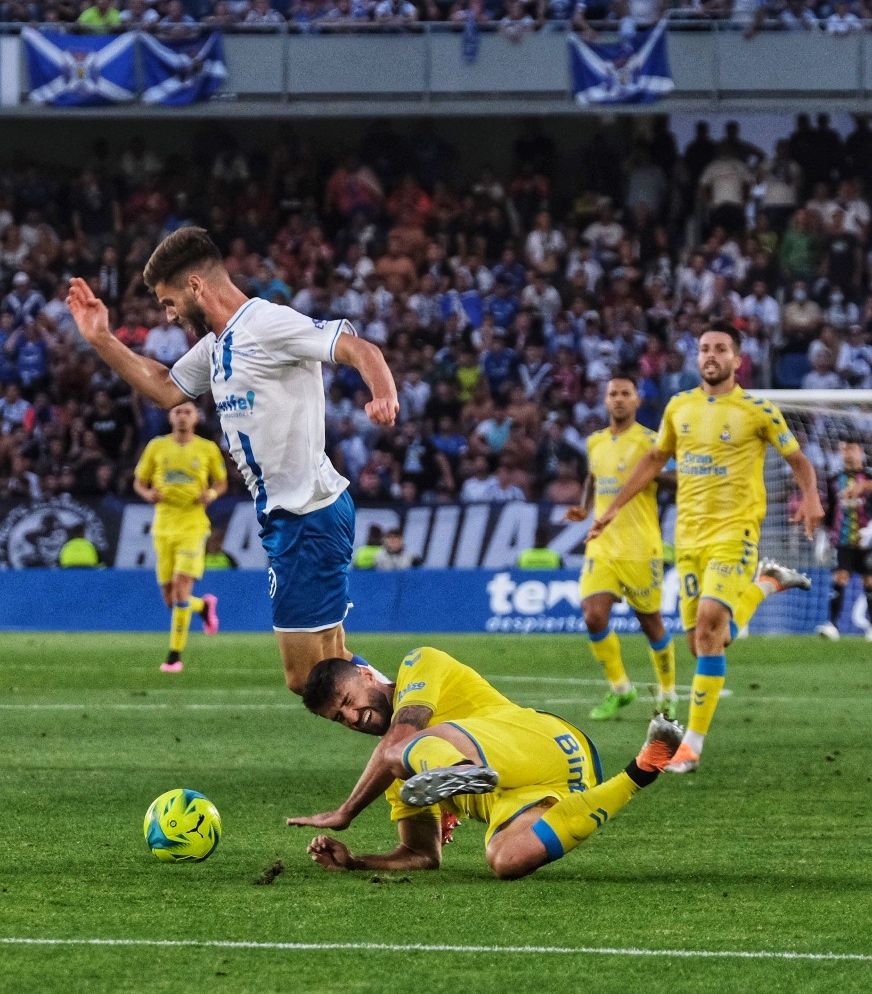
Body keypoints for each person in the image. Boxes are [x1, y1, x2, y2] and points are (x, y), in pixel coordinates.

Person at [67, 226, 399, 693]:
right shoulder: (217, 345)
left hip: (307, 515)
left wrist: (382, 393)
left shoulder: (266, 324)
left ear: (196, 286)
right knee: (334, 664)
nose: (169, 314)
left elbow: (357, 347)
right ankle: (422, 722)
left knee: (308, 679)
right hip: (296, 515)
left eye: (169, 302)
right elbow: (165, 388)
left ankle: (422, 727)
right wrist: (101, 339)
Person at [587, 321, 824, 773]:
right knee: (705, 643)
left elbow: (798, 459)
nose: (711, 355)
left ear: (736, 359)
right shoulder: (679, 407)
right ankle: (768, 583)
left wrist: (810, 496)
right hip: (689, 537)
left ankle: (690, 746)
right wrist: (614, 508)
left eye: (720, 349)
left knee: (712, 627)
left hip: (736, 533)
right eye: (704, 349)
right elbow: (656, 459)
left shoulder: (758, 410)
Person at [287, 648, 684, 879]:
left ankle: (460, 770)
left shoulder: (419, 664)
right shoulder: (394, 771)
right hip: (552, 791)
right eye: (340, 718)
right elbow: (422, 855)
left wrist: (346, 812)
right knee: (505, 861)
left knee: (402, 748)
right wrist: (356, 861)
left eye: (347, 701)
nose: (353, 717)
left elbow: (401, 739)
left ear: (365, 674)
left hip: (539, 742)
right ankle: (643, 769)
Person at [565, 375, 677, 723]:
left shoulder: (651, 441)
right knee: (593, 615)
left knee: (650, 622)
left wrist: (653, 474)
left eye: (626, 393)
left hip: (641, 546)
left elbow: (675, 478)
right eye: (613, 393)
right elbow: (593, 478)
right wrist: (584, 507)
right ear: (605, 399)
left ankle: (669, 694)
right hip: (603, 545)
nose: (618, 399)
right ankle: (620, 689)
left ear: (637, 400)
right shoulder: (595, 441)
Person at [133, 401, 227, 673]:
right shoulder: (156, 446)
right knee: (171, 599)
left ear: (196, 417)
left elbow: (221, 483)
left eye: (188, 412)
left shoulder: (207, 449)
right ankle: (203, 607)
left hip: (193, 525)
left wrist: (209, 494)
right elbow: (139, 481)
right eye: (178, 412)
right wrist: (148, 494)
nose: (183, 417)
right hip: (163, 525)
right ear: (170, 416)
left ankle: (174, 656)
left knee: (181, 587)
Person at [816, 439, 872, 641]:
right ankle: (832, 625)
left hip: (868, 538)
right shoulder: (834, 480)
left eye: (852, 448)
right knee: (840, 577)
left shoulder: (868, 476)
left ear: (861, 452)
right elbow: (830, 511)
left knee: (869, 580)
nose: (848, 452)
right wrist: (823, 536)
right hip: (843, 538)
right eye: (845, 448)